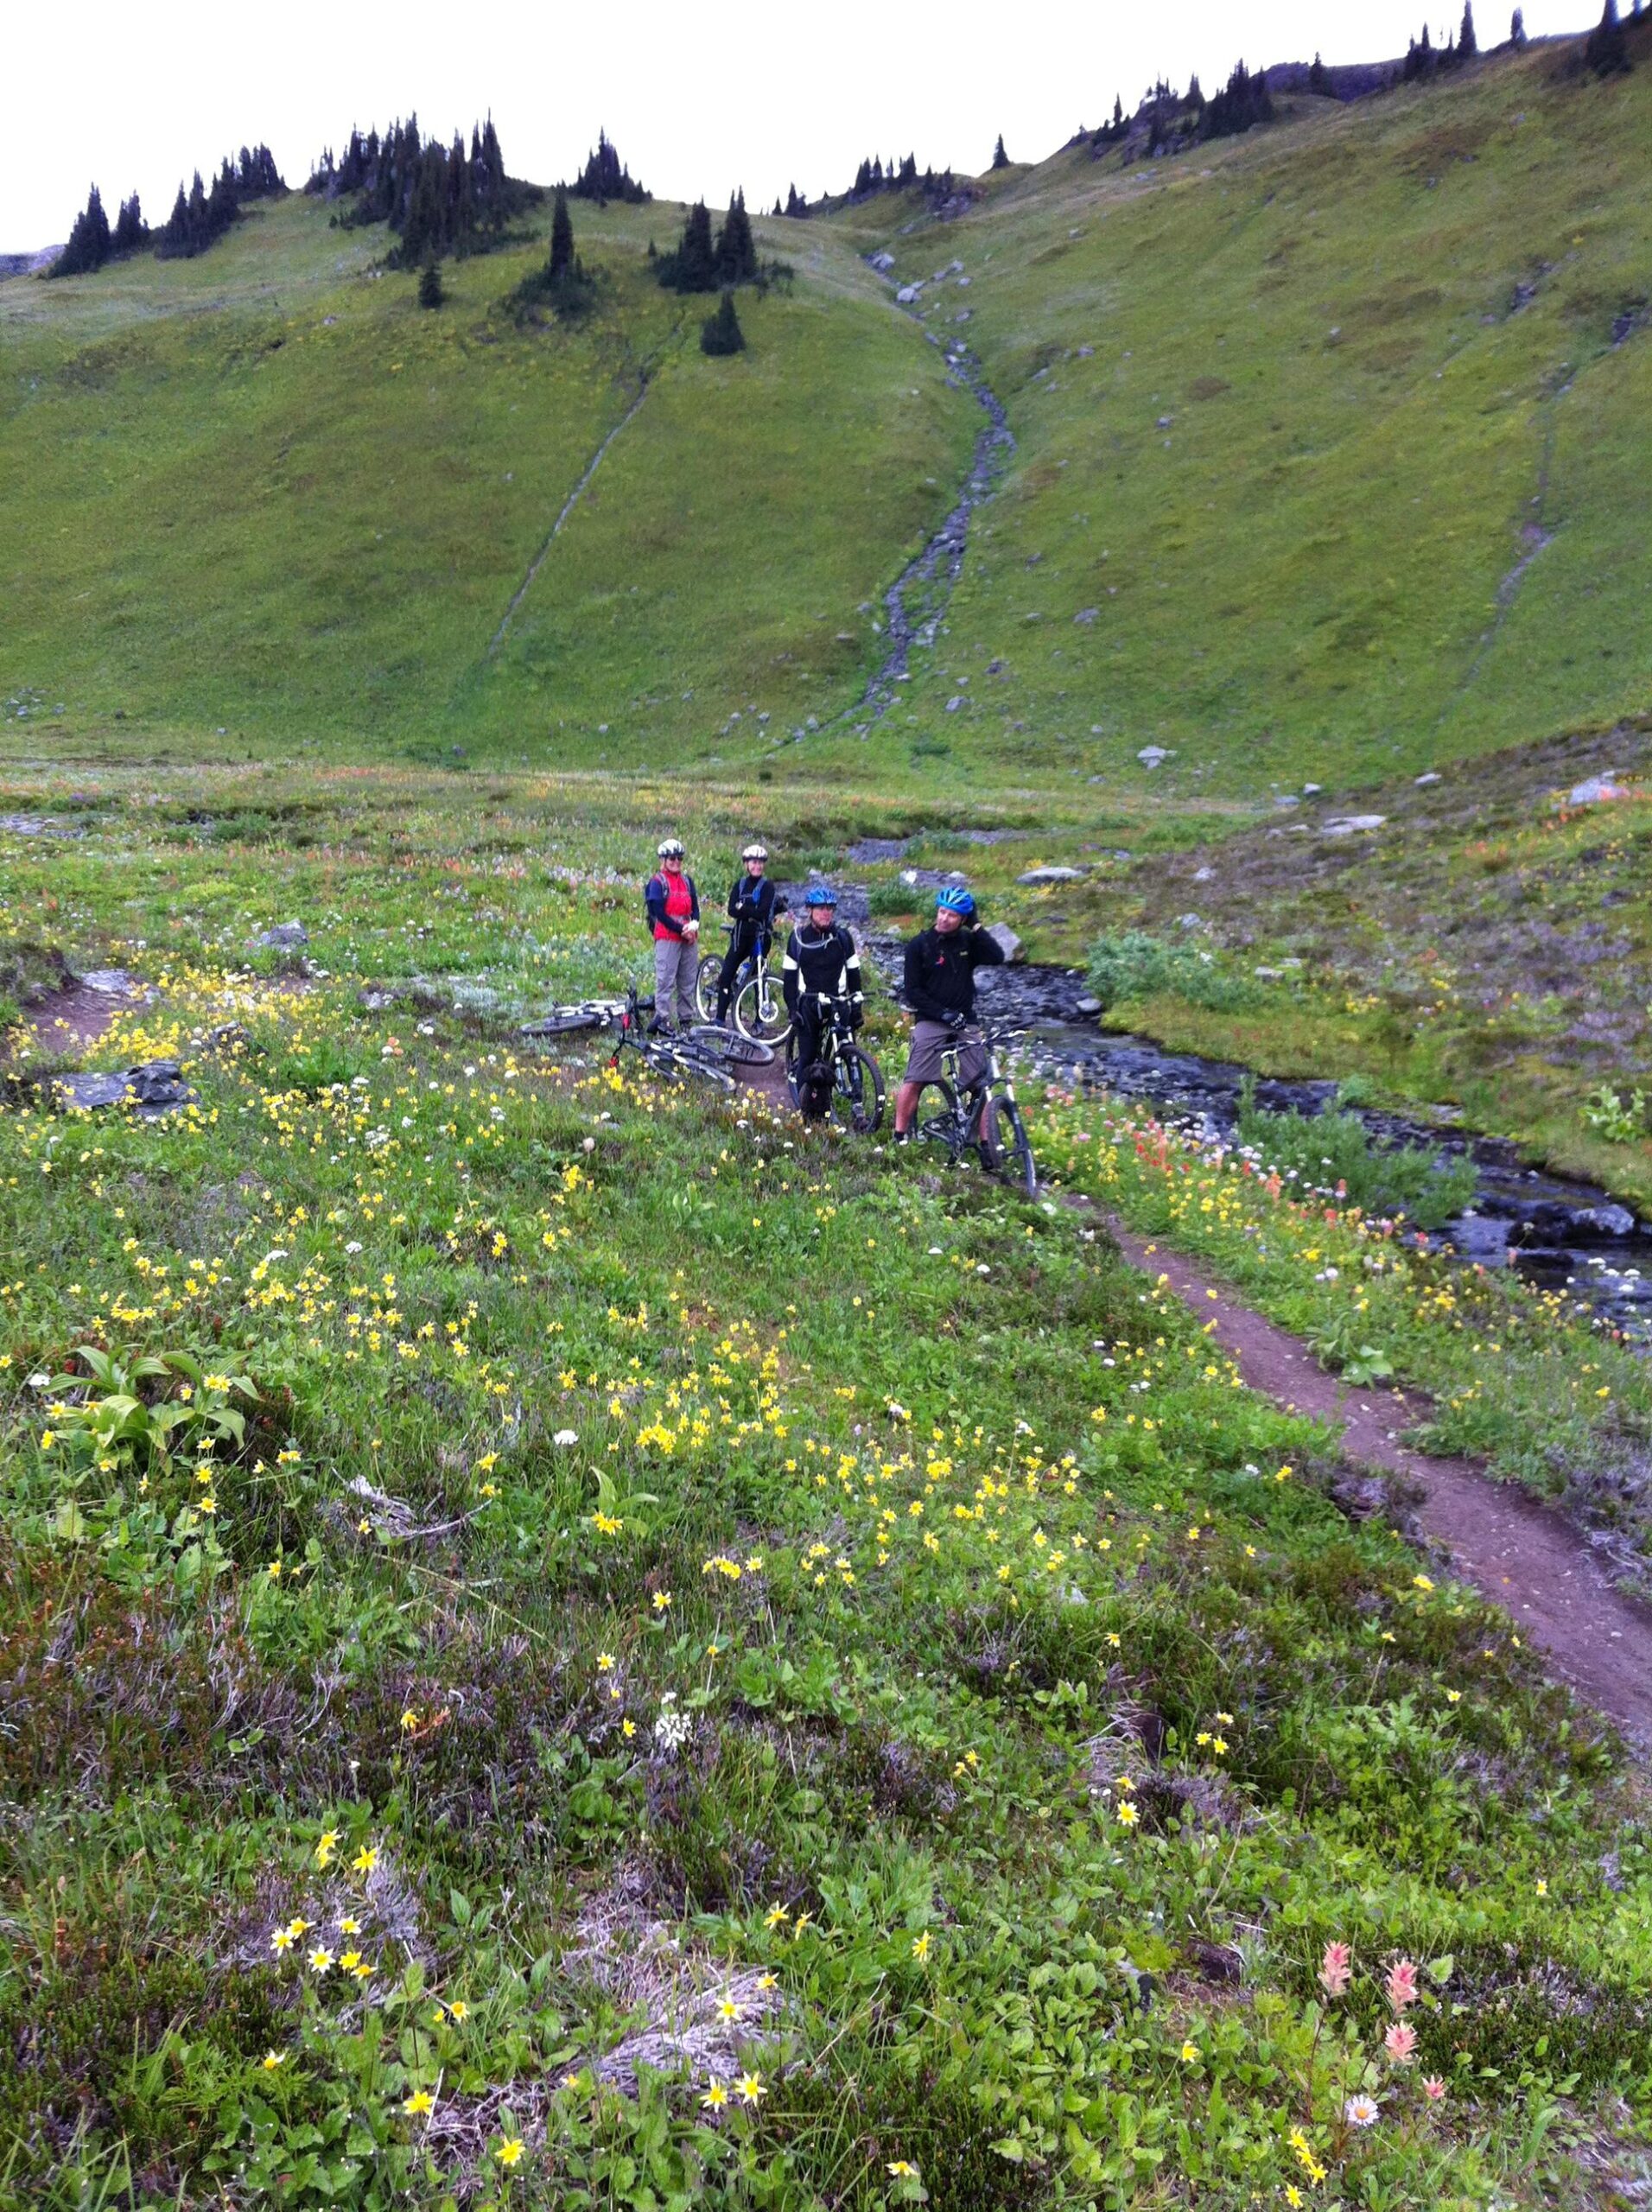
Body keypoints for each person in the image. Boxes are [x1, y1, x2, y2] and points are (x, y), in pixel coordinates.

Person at [893, 885, 1005, 1140]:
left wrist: (976, 925)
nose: (944, 918)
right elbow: (912, 992)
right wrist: (942, 1013)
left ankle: (987, 1147)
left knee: (982, 1084)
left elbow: (997, 956)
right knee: (916, 1078)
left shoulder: (968, 941)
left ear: (962, 919)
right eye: (942, 912)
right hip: (932, 1019)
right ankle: (898, 1135)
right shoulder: (919, 945)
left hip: (965, 1019)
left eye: (952, 915)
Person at [781, 885, 864, 1116]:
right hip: (808, 1004)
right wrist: (792, 1008)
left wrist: (856, 1004)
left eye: (829, 909)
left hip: (838, 1002)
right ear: (810, 910)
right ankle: (805, 1110)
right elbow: (789, 977)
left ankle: (858, 1103)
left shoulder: (843, 937)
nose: (826, 913)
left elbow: (854, 971)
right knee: (808, 1056)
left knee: (849, 1052)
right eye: (821, 909)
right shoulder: (798, 938)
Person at [716, 842, 778, 1024]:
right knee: (727, 974)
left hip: (761, 937)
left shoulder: (768, 886)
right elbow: (731, 910)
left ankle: (759, 1020)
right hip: (740, 937)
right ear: (746, 864)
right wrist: (750, 910)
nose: (757, 866)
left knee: (759, 977)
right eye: (753, 862)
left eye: (760, 863)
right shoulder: (740, 884)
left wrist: (743, 908)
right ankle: (719, 1018)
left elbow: (763, 912)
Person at [644, 837, 700, 1031]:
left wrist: (693, 925)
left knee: (687, 980)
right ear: (663, 860)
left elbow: (695, 907)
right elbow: (659, 913)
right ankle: (663, 1019)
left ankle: (686, 1019)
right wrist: (681, 930)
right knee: (665, 979)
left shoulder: (687, 881)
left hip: (689, 936)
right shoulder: (657, 882)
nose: (676, 862)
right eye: (672, 859)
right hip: (667, 936)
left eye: (679, 859)